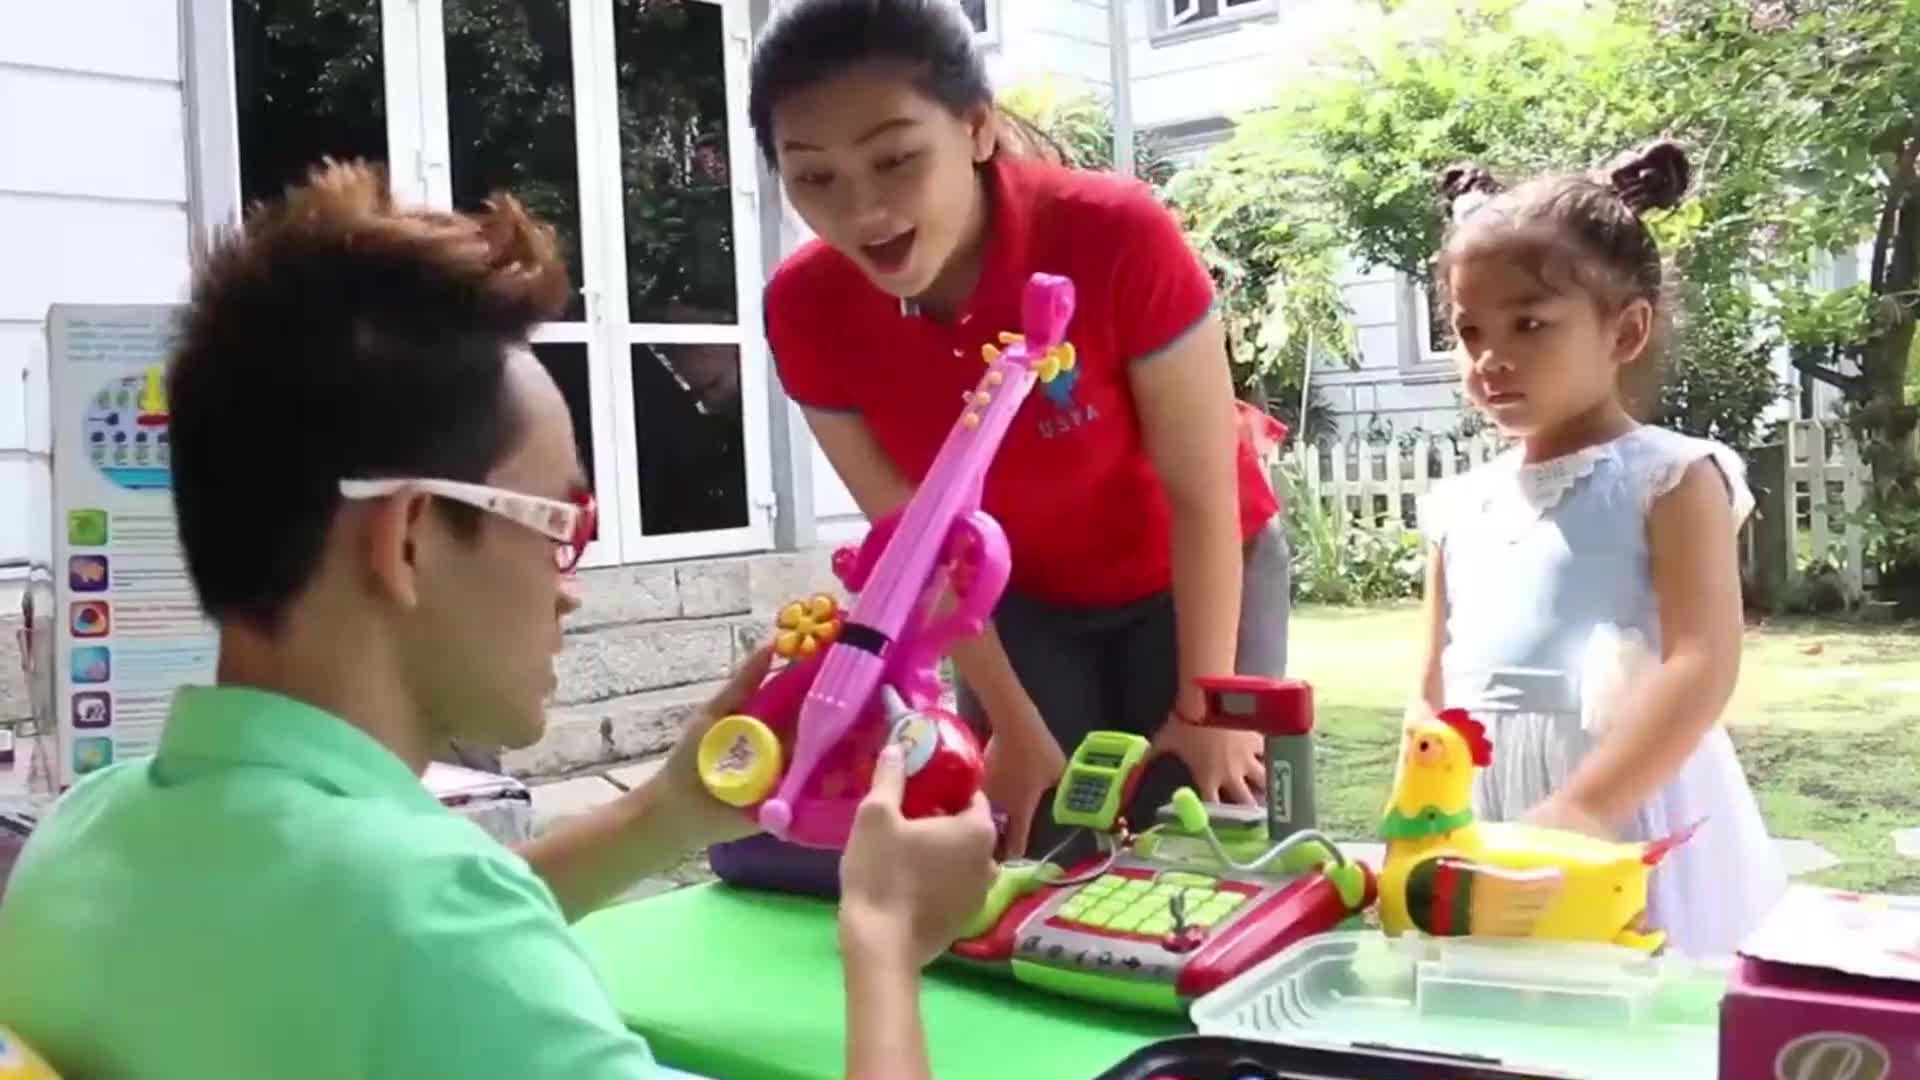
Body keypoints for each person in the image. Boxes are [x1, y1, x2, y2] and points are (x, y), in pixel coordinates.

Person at [0, 161, 996, 1080]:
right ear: (407, 541)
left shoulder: (83, 836)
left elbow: (395, 941)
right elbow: (433, 940)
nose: (569, 588)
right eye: (561, 525)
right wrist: (885, 938)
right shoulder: (435, 930)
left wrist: (671, 811)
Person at [749, 0, 1290, 858]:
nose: (862, 210)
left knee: (1205, 837)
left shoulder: (1116, 233)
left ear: (975, 127)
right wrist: (1009, 719)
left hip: (1191, 565)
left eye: (895, 159)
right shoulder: (805, 308)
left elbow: (1202, 493)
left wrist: (1208, 703)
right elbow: (915, 546)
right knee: (1039, 841)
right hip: (1018, 598)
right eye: (814, 177)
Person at [1411, 139, 1787, 957]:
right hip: (1486, 808)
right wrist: (1419, 804)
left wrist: (1588, 805)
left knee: (1632, 993)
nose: (1490, 358)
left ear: (1626, 331)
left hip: (1625, 804)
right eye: (1470, 331)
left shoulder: (1671, 477)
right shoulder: (1459, 506)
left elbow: (1702, 661)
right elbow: (1434, 680)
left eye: (1529, 324)